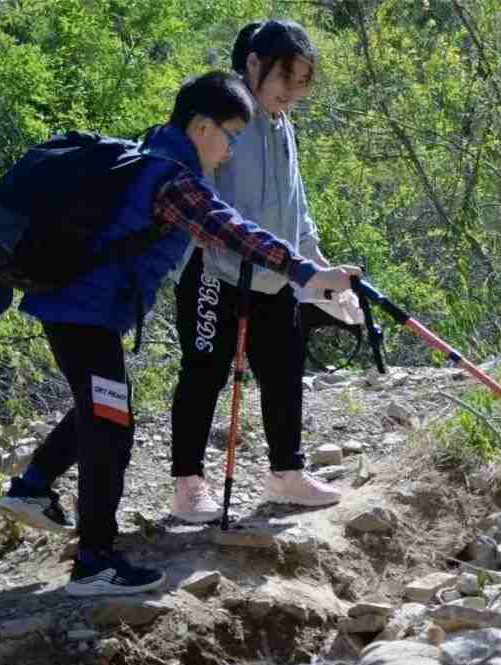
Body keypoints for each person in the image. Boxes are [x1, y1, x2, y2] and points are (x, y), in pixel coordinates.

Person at [0, 70, 361, 596]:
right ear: (201, 125)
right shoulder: (175, 181)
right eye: (230, 135)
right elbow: (233, 231)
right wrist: (307, 272)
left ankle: (32, 488)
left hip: (75, 310)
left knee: (102, 409)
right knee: (111, 427)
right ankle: (94, 561)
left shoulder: (151, 152)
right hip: (84, 314)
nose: (231, 150)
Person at [169, 20, 352, 522]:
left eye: (300, 83)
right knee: (204, 374)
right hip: (213, 270)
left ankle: (286, 475)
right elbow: (195, 198)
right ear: (252, 63)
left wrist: (316, 269)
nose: (292, 93)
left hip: (277, 274)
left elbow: (297, 206)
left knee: (284, 370)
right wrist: (227, 251)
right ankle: (188, 485)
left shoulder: (282, 124)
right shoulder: (224, 115)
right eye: (284, 79)